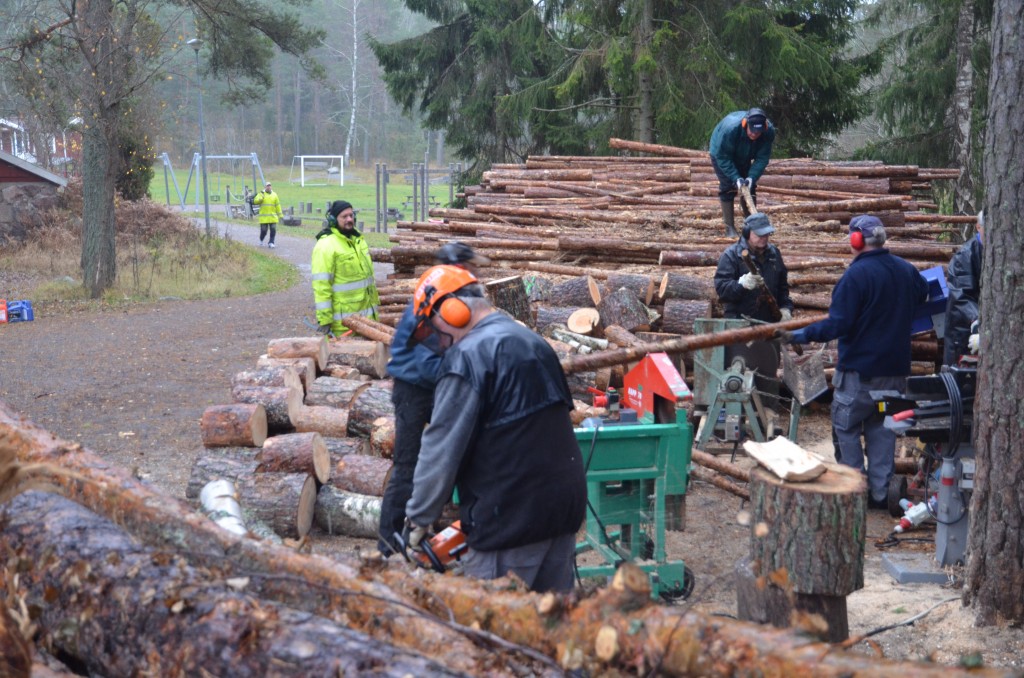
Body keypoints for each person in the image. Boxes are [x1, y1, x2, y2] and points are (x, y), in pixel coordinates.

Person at [402, 265, 586, 593]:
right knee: (553, 632)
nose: (439, 341)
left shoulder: (468, 358)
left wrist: (418, 518)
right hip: (563, 511)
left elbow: (440, 448)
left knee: (494, 635)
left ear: (451, 309)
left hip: (509, 523)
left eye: (433, 328)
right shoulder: (532, 341)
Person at [778, 215, 929, 508]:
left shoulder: (854, 278)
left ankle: (853, 490)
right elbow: (924, 294)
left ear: (856, 240)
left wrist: (798, 334)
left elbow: (838, 325)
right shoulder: (906, 270)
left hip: (859, 375)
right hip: (895, 374)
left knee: (846, 429)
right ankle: (880, 493)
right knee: (884, 431)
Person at [377, 242, 490, 556]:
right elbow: (416, 358)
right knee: (408, 466)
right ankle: (389, 544)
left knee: (455, 455)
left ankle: (430, 530)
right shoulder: (432, 304)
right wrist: (458, 371)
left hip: (435, 387)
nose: (475, 275)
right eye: (470, 268)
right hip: (414, 390)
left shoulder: (454, 299)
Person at [713, 212, 793, 414]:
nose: (764, 238)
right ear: (747, 233)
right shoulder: (731, 256)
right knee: (736, 372)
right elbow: (722, 290)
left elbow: (783, 288)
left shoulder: (774, 255)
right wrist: (741, 285)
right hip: (739, 325)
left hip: (767, 325)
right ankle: (734, 416)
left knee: (767, 372)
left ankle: (768, 415)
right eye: (760, 235)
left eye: (767, 234)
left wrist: (786, 309)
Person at [310, 200, 379, 335]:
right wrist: (325, 320)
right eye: (344, 216)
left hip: (368, 321)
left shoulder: (359, 240)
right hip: (344, 325)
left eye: (351, 215)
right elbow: (321, 285)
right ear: (333, 220)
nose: (349, 219)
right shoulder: (326, 245)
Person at [709, 107, 776, 237]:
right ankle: (729, 227)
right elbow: (722, 157)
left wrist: (752, 177)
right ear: (746, 124)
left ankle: (752, 225)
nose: (755, 135)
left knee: (749, 187)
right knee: (728, 186)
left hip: (745, 154)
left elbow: (762, 158)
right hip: (721, 153)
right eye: (752, 131)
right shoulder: (730, 130)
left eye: (758, 132)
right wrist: (735, 178)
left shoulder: (768, 132)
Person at [943, 210, 984, 366]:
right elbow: (962, 295)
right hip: (961, 333)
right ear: (978, 227)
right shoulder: (965, 256)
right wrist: (978, 322)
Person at [252, 181, 283, 248]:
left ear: (271, 187)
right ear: (265, 187)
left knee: (273, 229)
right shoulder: (261, 194)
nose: (268, 187)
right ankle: (261, 240)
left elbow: (278, 205)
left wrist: (280, 215)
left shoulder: (275, 195)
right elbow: (255, 201)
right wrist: (260, 199)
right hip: (264, 217)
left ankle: (271, 242)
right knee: (263, 230)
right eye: (267, 186)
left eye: (269, 186)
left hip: (273, 216)